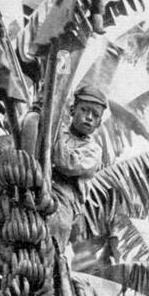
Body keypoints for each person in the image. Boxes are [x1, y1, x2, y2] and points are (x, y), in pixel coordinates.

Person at [47, 83, 106, 248]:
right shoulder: (56, 130)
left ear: (99, 123)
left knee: (58, 227)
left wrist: (53, 124)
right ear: (72, 110)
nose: (89, 117)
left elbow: (66, 163)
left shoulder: (93, 151)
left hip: (64, 198)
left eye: (95, 115)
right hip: (37, 181)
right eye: (85, 110)